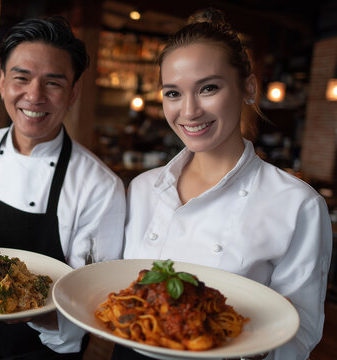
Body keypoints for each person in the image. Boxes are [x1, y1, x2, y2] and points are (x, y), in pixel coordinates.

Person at [115, 8, 332, 360]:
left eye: (208, 88)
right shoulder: (141, 188)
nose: (189, 111)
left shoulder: (297, 205)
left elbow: (302, 331)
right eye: (173, 93)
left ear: (248, 88)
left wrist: (256, 346)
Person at [0, 16, 126, 359]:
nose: (34, 96)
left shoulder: (100, 187)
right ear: (3, 83)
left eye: (53, 83)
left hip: (41, 351)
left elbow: (92, 302)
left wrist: (23, 305)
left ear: (73, 93)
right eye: (21, 78)